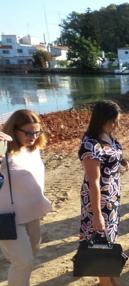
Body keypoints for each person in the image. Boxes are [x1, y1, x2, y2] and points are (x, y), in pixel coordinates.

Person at [78, 100, 129, 286]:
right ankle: (106, 282)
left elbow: (113, 155)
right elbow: (94, 182)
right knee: (99, 245)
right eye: (113, 121)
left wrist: (122, 162)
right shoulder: (90, 145)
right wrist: (97, 214)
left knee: (108, 243)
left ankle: (109, 279)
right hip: (98, 202)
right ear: (101, 120)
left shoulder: (107, 136)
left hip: (112, 201)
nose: (117, 125)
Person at [0, 110, 52, 286]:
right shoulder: (3, 155)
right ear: (14, 130)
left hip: (32, 213)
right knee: (23, 261)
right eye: (28, 132)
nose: (33, 136)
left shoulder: (33, 149)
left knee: (31, 255)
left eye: (37, 132)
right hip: (7, 217)